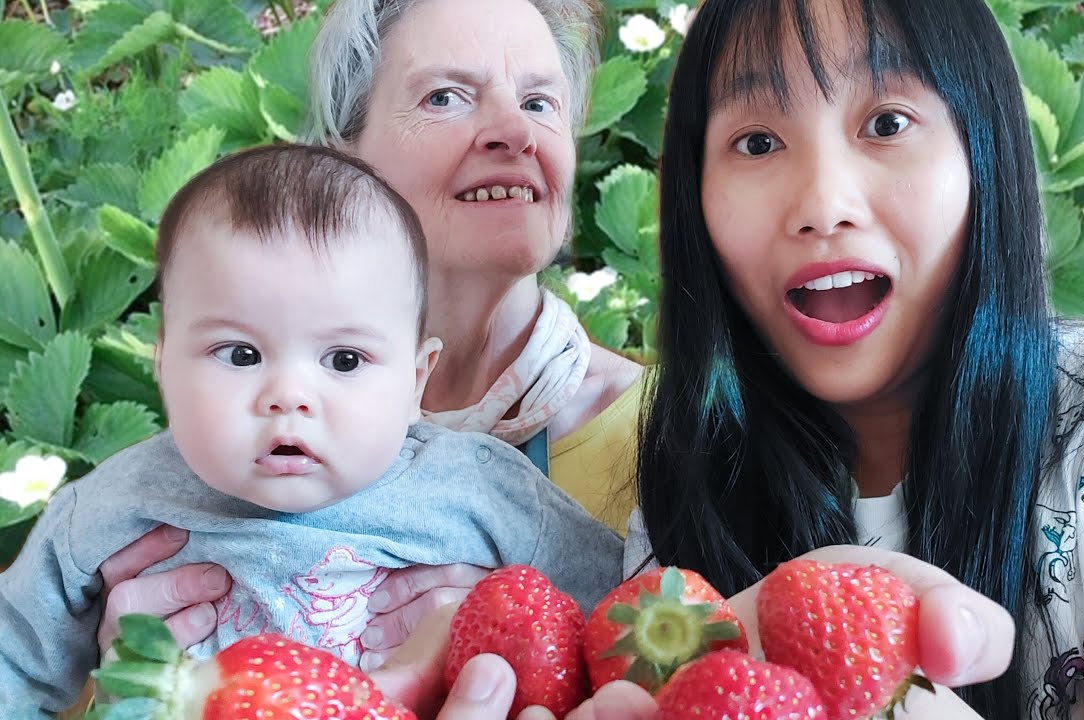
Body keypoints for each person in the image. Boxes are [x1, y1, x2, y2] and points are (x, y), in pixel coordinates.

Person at [626, 0, 1084, 718]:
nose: (823, 202)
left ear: (983, 149)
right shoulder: (691, 490)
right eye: (755, 142)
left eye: (886, 124)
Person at [91, 0, 644, 674]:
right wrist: (126, 679)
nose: (513, 131)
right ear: (338, 160)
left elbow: (708, 665)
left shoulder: (673, 437)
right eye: (446, 96)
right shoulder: (227, 437)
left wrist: (539, 625)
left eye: (539, 102)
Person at [0, 144, 621, 714]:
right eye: (240, 354)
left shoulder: (479, 490)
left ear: (414, 380)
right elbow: (15, 661)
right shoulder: (117, 506)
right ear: (162, 364)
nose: (288, 397)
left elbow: (607, 616)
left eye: (344, 361)